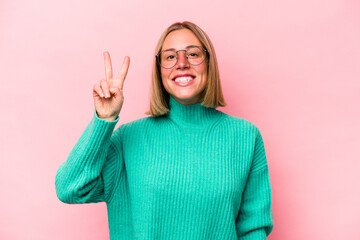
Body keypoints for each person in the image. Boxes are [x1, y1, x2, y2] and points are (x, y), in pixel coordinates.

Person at [55, 21, 274, 239]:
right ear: (160, 71)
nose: (181, 63)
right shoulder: (127, 139)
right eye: (170, 57)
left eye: (193, 54)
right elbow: (70, 188)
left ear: (209, 63)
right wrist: (104, 119)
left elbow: (253, 230)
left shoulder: (246, 137)